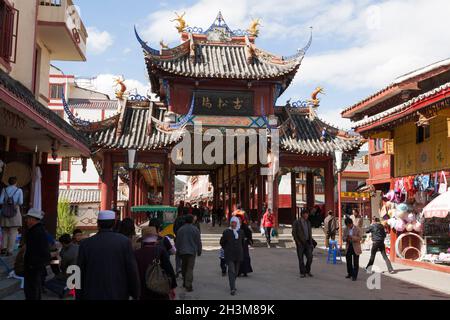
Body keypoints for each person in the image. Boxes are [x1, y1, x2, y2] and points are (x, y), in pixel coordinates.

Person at [76, 210, 140, 300]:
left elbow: (79, 271)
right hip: (118, 292)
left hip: (91, 293)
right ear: (114, 223)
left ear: (98, 223)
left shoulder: (86, 244)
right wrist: (135, 293)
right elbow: (132, 270)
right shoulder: (124, 242)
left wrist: (78, 295)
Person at [135, 226, 177, 300]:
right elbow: (169, 270)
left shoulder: (136, 254)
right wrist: (172, 287)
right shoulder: (161, 251)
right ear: (156, 239)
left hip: (142, 291)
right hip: (160, 290)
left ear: (143, 240)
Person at [23, 209, 51, 300]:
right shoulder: (37, 230)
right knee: (34, 288)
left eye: (28, 218)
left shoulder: (36, 231)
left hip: (33, 265)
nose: (26, 220)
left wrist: (32, 264)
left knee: (32, 289)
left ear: (33, 219)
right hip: (35, 265)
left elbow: (38, 250)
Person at [45, 234, 79, 298]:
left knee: (47, 283)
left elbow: (62, 266)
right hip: (78, 272)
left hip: (70, 274)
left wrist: (51, 262)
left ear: (63, 243)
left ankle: (65, 289)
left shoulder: (67, 253)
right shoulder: (77, 247)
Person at [175, 214, 202, 292]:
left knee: (184, 267)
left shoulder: (180, 229)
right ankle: (188, 285)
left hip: (182, 251)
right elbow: (198, 241)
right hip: (192, 252)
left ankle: (184, 281)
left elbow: (178, 241)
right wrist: (199, 250)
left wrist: (178, 249)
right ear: (192, 221)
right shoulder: (195, 229)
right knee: (190, 268)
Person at [220, 216, 245, 296]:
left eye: (234, 222)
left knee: (236, 272)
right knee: (231, 271)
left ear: (237, 223)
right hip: (229, 254)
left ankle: (232, 283)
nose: (233, 224)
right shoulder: (227, 232)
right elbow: (222, 242)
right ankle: (232, 288)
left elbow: (243, 242)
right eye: (232, 222)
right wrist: (226, 249)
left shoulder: (241, 232)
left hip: (238, 254)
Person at [0, 177, 23, 256]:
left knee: (5, 231)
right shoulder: (19, 190)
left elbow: (0, 201)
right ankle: (9, 251)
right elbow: (20, 202)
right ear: (16, 182)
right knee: (13, 232)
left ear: (8, 182)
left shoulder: (4, 190)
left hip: (5, 213)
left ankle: (3, 248)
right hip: (15, 213)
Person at [292, 210, 315, 278]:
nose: (307, 215)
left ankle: (307, 270)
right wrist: (297, 242)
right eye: (306, 214)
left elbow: (309, 233)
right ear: (302, 214)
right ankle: (302, 272)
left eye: (307, 214)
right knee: (301, 259)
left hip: (308, 242)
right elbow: (294, 233)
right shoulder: (296, 222)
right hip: (300, 243)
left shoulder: (308, 222)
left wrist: (311, 242)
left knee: (310, 257)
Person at [173, 213, 186, 278]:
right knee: (184, 256)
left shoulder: (177, 219)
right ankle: (184, 271)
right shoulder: (188, 220)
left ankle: (177, 269)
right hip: (185, 240)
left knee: (177, 255)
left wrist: (177, 234)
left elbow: (174, 229)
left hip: (178, 239)